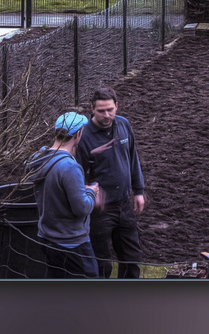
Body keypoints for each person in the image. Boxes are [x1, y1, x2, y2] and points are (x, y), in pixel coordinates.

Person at [77, 86, 147, 278]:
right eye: (101, 111)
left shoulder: (124, 125)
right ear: (92, 108)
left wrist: (139, 191)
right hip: (99, 210)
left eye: (110, 109)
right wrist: (87, 195)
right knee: (101, 262)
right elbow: (77, 174)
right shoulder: (83, 136)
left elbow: (133, 158)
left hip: (125, 204)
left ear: (117, 106)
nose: (106, 115)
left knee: (132, 257)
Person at [26, 110, 103, 278]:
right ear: (77, 134)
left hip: (46, 237)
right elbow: (82, 208)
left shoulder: (40, 159)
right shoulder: (69, 167)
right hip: (71, 243)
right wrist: (91, 192)